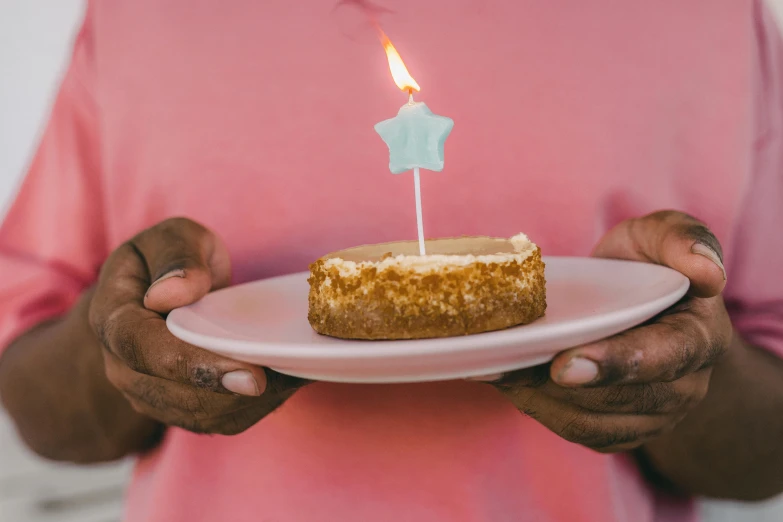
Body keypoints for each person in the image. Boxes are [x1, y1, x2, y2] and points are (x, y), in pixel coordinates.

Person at [1, 1, 782, 520]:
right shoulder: (142, 16)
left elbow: (764, 458)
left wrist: (664, 342)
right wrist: (124, 339)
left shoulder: (702, 15)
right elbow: (43, 412)